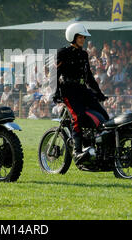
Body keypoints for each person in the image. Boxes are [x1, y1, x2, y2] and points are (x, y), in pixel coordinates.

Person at [54, 23, 109, 164]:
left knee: (104, 115)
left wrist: (99, 93)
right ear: (72, 37)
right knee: (78, 117)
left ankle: (104, 148)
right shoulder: (63, 52)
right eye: (80, 37)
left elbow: (89, 77)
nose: (83, 40)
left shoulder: (84, 54)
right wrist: (57, 92)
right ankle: (77, 151)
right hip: (68, 91)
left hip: (83, 90)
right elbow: (56, 74)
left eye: (84, 37)